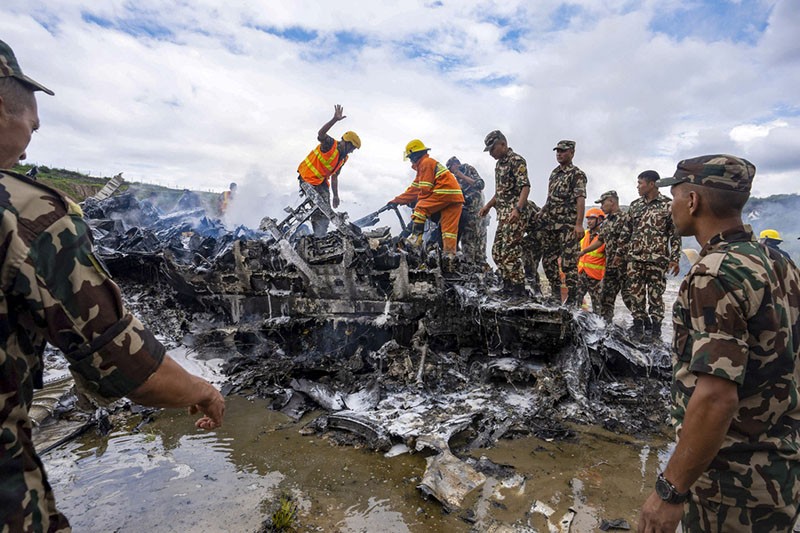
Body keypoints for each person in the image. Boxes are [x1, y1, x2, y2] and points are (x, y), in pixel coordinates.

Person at [0, 39, 225, 531]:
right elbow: (120, 360)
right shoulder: (28, 212)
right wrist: (202, 390)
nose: (33, 132)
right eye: (32, 122)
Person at [638, 154, 800, 532]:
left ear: (692, 201)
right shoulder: (778, 263)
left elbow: (715, 396)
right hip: (781, 470)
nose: (671, 206)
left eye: (674, 196)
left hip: (731, 485)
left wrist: (669, 490)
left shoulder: (712, 274)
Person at [615, 170, 680, 340]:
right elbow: (626, 232)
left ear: (652, 184)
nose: (637, 186)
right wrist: (619, 253)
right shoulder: (635, 205)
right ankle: (638, 329)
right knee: (635, 295)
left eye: (640, 183)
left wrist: (675, 259)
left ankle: (656, 332)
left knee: (655, 296)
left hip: (657, 260)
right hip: (635, 259)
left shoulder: (668, 205)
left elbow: (675, 234)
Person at [388, 140, 464, 260]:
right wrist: (397, 200)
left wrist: (419, 202)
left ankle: (415, 239)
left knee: (421, 207)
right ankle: (449, 257)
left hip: (444, 192)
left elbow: (425, 189)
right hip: (455, 197)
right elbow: (413, 189)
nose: (410, 160)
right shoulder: (427, 164)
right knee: (449, 230)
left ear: (414, 154)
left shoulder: (425, 163)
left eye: (410, 157)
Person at [478, 130, 530, 296]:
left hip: (514, 215)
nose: (491, 153)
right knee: (497, 253)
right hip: (503, 215)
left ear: (503, 144)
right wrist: (487, 206)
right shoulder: (499, 165)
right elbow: (500, 192)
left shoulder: (516, 160)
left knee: (509, 253)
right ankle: (507, 286)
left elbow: (525, 187)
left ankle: (519, 289)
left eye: (493, 149)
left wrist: (518, 209)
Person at [534, 140, 587, 305]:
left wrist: (578, 224)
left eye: (563, 151)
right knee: (548, 260)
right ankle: (556, 294)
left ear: (572, 153)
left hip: (568, 227)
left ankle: (572, 300)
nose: (559, 154)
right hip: (552, 225)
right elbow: (551, 199)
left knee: (569, 264)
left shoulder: (576, 174)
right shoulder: (554, 173)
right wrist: (542, 211)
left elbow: (580, 199)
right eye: (557, 151)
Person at [297, 105, 361, 237]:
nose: (352, 151)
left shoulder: (343, 158)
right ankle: (318, 236)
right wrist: (334, 120)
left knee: (326, 210)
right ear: (346, 143)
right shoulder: (330, 144)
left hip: (320, 182)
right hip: (308, 177)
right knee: (321, 208)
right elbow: (320, 134)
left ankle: (320, 235)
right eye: (352, 148)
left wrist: (336, 196)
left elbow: (335, 176)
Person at [581, 190, 632, 323]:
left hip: (625, 267)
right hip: (610, 267)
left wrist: (620, 254)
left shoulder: (626, 218)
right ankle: (605, 326)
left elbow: (628, 239)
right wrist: (583, 251)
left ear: (612, 201)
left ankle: (643, 325)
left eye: (603, 203)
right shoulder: (607, 221)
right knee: (605, 298)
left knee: (629, 298)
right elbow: (600, 240)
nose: (602, 207)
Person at [447, 156, 488, 269]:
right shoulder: (455, 179)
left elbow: (480, 185)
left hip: (478, 212)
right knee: (468, 242)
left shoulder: (468, 169)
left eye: (452, 168)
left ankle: (481, 268)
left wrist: (462, 176)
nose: (452, 172)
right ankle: (471, 268)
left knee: (479, 242)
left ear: (456, 164)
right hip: (467, 214)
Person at [575, 208, 606, 312]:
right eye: (588, 219)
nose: (589, 221)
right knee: (576, 301)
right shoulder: (583, 234)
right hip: (581, 273)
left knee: (598, 305)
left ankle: (599, 326)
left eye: (592, 218)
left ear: (600, 220)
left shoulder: (604, 237)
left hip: (596, 277)